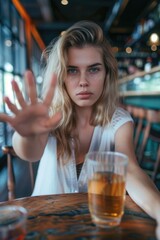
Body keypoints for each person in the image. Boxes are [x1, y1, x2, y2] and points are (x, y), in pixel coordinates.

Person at [0, 20, 160, 239]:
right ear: (61, 77)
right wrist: (27, 134)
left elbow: (130, 170)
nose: (83, 82)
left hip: (99, 229)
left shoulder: (118, 121)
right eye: (72, 70)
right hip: (46, 227)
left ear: (107, 74)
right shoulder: (48, 116)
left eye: (93, 69)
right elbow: (29, 152)